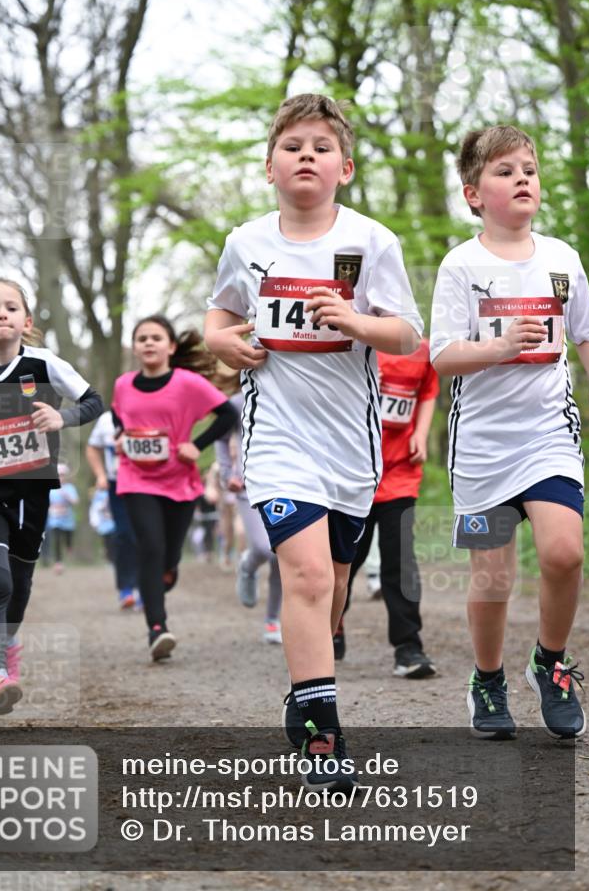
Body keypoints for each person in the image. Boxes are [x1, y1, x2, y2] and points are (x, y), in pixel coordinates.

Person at [205, 94, 423, 791]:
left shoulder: (370, 241)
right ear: (269, 166)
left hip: (350, 450)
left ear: (345, 168)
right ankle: (321, 732)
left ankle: (306, 683)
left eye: (320, 147)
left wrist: (357, 324)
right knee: (302, 576)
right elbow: (219, 317)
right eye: (292, 145)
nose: (306, 155)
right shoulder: (246, 243)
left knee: (331, 588)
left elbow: (408, 335)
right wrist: (217, 342)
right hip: (276, 441)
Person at [430, 125, 589, 740]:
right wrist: (497, 346)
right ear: (474, 193)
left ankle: (549, 663)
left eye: (529, 167)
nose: (522, 177)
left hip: (548, 432)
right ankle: (488, 678)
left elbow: (585, 332)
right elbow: (442, 356)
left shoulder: (562, 259)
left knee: (564, 552)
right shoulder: (461, 265)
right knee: (493, 578)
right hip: (480, 446)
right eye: (505, 171)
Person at [0, 278, 103, 715]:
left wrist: (62, 416)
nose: (2, 314)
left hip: (33, 493)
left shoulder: (45, 365)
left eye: (11, 307)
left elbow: (94, 401)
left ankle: (7, 643)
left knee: (21, 582)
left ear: (26, 321)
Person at [111, 315, 236, 661]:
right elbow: (117, 414)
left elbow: (228, 415)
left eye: (156, 337)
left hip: (180, 480)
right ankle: (157, 628)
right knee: (150, 546)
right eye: (142, 338)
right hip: (136, 478)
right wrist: (121, 436)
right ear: (135, 347)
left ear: (171, 346)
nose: (148, 343)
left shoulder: (186, 384)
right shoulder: (123, 384)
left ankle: (168, 569)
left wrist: (197, 444)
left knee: (168, 556)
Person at [336, 339, 439, 677]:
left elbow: (427, 390)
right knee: (345, 560)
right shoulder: (350, 342)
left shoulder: (421, 348)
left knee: (400, 560)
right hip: (352, 471)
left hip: (399, 471)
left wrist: (421, 433)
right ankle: (329, 628)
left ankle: (409, 647)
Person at [215, 390, 283, 644]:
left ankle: (272, 620)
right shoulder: (239, 400)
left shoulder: (296, 390)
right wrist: (226, 473)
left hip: (289, 487)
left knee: (283, 556)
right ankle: (248, 564)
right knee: (266, 549)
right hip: (248, 486)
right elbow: (220, 437)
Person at [86, 410, 140, 609]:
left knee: (146, 534)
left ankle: (146, 588)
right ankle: (126, 588)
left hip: (148, 484)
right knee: (124, 534)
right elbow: (92, 447)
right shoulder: (106, 420)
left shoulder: (149, 411)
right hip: (117, 485)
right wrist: (100, 475)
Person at [45, 463, 78, 574]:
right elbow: (46, 504)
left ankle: (69, 547)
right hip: (55, 519)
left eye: (63, 475)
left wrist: (66, 496)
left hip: (68, 520)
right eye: (59, 475)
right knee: (57, 539)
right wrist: (53, 509)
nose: (61, 477)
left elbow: (75, 501)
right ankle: (58, 563)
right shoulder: (51, 488)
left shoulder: (70, 488)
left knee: (68, 539)